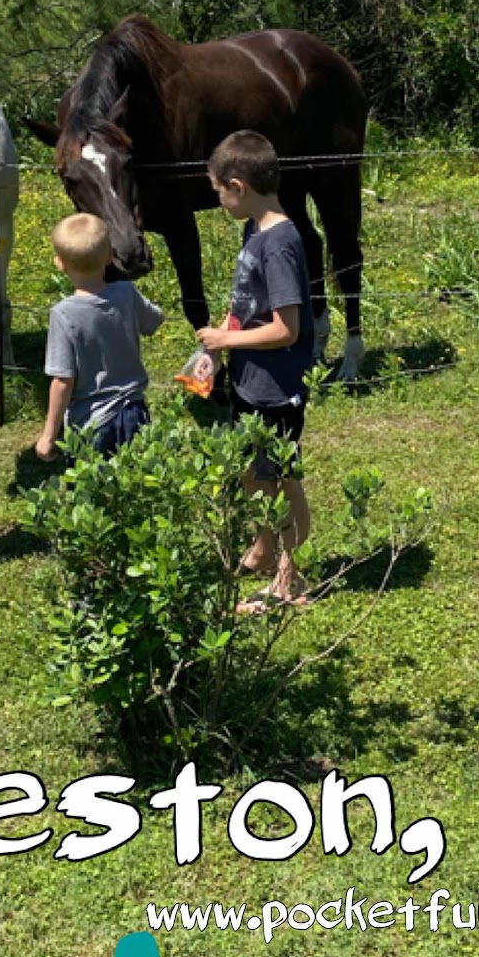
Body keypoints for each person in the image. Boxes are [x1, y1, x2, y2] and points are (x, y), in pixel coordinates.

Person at [195, 130, 316, 612]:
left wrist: (226, 340)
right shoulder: (256, 230)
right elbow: (245, 303)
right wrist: (218, 347)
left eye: (218, 192)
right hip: (251, 380)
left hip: (276, 387)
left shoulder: (279, 244)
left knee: (280, 480)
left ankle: (289, 579)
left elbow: (287, 328)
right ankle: (265, 551)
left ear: (238, 186)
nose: (219, 202)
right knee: (256, 474)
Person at [36, 213, 164, 461]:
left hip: (91, 422)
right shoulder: (126, 292)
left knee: (91, 484)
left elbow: (63, 381)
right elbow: (155, 320)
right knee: (139, 479)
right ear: (110, 255)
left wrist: (48, 435)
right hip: (134, 412)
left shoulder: (64, 314)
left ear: (60, 263)